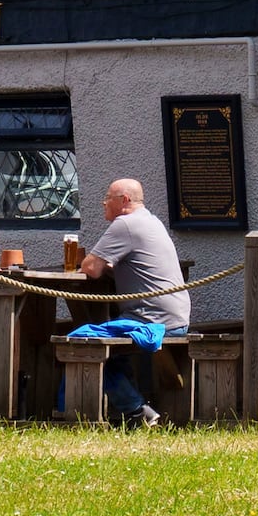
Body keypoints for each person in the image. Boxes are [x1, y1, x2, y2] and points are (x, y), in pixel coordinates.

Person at [74, 176, 191, 429]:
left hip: (152, 320)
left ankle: (137, 412)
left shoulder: (125, 224)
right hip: (175, 318)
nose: (103, 203)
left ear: (124, 200)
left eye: (108, 198)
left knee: (82, 343)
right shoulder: (151, 221)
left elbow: (91, 268)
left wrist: (94, 263)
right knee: (113, 352)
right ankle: (133, 410)